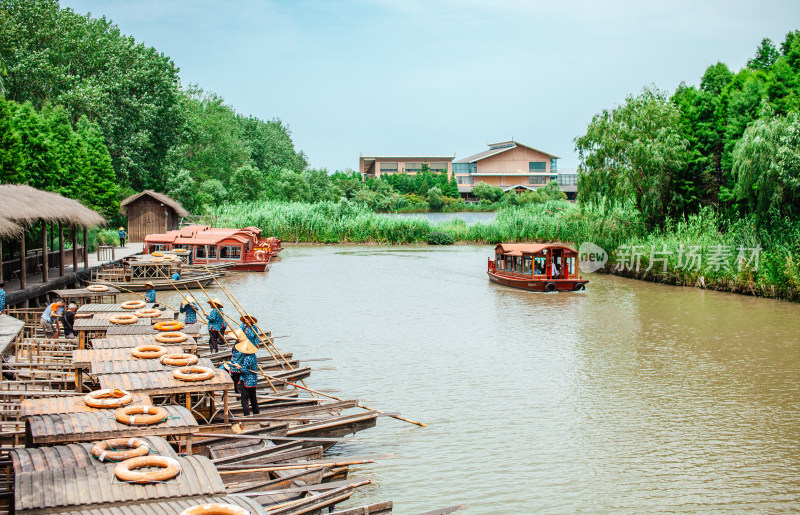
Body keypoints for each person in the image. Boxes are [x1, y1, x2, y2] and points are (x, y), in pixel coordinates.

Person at [234, 330, 260, 416]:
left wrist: (239, 368)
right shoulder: (254, 357)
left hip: (246, 382)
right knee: (253, 399)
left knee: (244, 400)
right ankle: (256, 413)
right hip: (253, 381)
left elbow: (244, 371)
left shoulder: (247, 358)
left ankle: (247, 415)